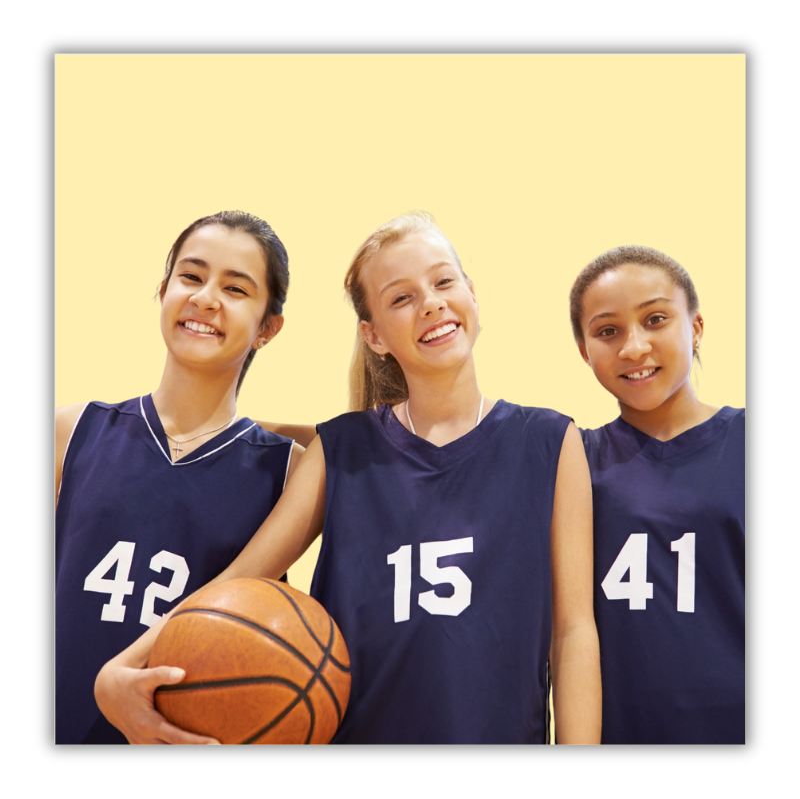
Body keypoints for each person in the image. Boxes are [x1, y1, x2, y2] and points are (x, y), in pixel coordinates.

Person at [96, 212, 601, 744]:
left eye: (443, 281)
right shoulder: (339, 450)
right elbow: (237, 581)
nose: (430, 302)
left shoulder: (549, 440)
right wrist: (118, 671)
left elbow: (573, 633)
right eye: (400, 298)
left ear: (473, 296)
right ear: (374, 335)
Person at [55, 210, 309, 744]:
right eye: (191, 277)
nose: (205, 298)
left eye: (236, 288)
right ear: (165, 289)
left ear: (268, 327)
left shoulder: (289, 469)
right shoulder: (71, 431)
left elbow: (377, 434)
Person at [570, 245, 745, 744]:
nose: (633, 347)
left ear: (695, 327)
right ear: (585, 351)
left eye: (656, 319)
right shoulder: (572, 460)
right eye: (608, 331)